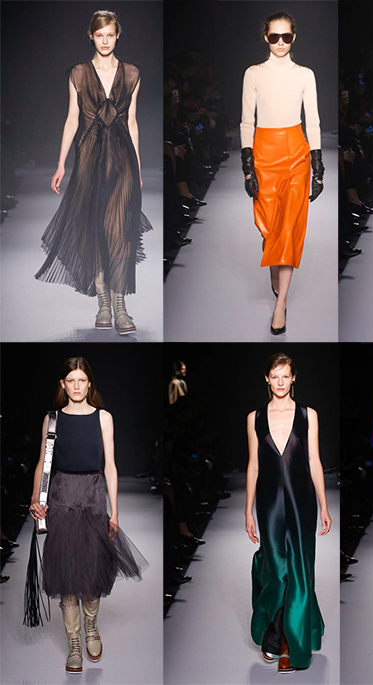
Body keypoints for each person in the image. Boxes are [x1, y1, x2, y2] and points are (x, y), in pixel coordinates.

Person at [34, 10, 152, 335]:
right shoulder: (78, 73)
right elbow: (72, 119)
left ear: (117, 35)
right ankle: (102, 304)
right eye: (99, 35)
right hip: (88, 160)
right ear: (91, 36)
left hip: (123, 161)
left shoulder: (132, 73)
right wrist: (61, 163)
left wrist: (138, 165)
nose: (105, 40)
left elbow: (132, 122)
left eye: (110, 35)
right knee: (94, 231)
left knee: (119, 231)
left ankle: (120, 306)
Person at [27, 357, 147, 674]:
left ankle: (91, 626)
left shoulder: (103, 417)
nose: (77, 386)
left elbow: (111, 467)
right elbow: (43, 462)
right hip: (61, 497)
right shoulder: (52, 419)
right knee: (66, 574)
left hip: (93, 497)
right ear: (63, 384)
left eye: (82, 380)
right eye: (71, 380)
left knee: (93, 570)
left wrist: (115, 512)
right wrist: (36, 496)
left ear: (89, 383)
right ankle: (74, 643)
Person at [245, 353, 332, 673]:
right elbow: (253, 465)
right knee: (276, 569)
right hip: (268, 503)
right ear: (266, 379)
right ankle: (283, 630)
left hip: (301, 501)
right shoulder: (254, 418)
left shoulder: (308, 415)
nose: (280, 382)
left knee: (298, 569)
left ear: (293, 378)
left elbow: (314, 461)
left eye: (285, 376)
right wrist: (247, 510)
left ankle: (284, 642)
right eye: (274, 376)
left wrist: (324, 505)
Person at [240, 11, 324, 336]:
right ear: (266, 37)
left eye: (285, 36)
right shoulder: (253, 74)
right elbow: (247, 121)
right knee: (269, 226)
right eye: (274, 36)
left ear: (293, 38)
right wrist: (248, 166)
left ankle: (281, 304)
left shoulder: (305, 75)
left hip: (296, 153)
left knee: (289, 227)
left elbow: (313, 121)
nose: (280, 42)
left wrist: (317, 166)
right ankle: (275, 268)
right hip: (263, 152)